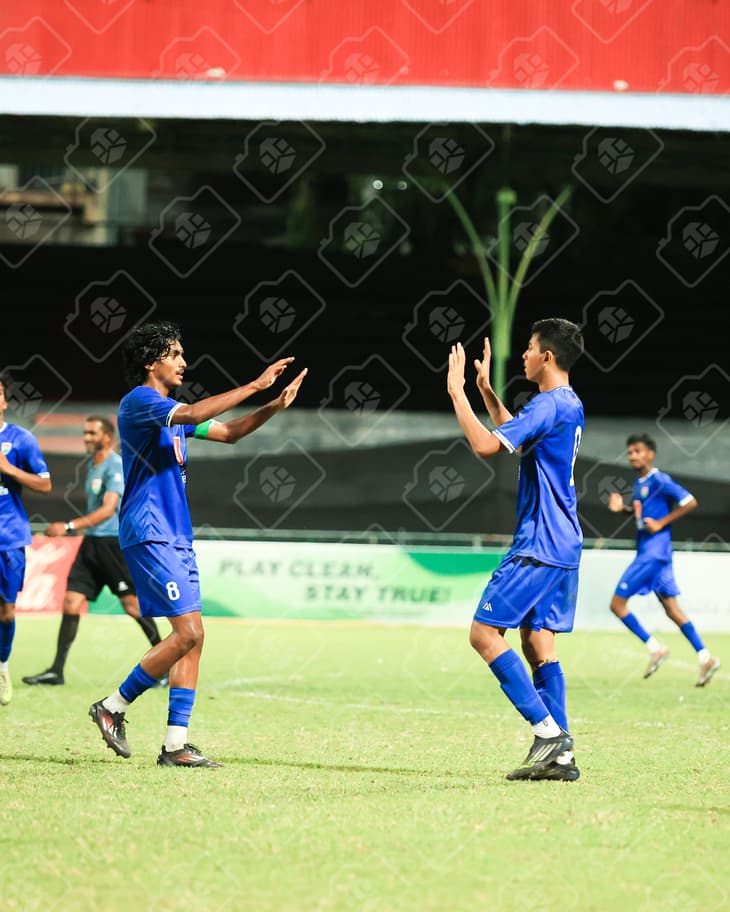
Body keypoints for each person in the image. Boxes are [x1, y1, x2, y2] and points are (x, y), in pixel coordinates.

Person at [88, 320, 307, 767]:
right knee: (186, 632)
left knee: (194, 636)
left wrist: (274, 405)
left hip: (176, 534)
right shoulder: (141, 403)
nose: (185, 362)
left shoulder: (167, 411)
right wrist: (254, 383)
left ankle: (174, 746)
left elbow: (229, 433)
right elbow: (192, 414)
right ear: (152, 362)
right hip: (150, 531)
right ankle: (112, 707)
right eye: (176, 354)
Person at [447, 319, 585, 782]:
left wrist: (458, 394)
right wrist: (487, 392)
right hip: (564, 541)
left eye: (528, 347)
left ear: (547, 356)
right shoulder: (567, 404)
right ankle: (561, 758)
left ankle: (548, 733)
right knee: (537, 641)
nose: (523, 355)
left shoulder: (548, 405)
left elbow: (487, 446)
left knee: (484, 634)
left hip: (540, 542)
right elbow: (518, 437)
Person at [22, 416, 166, 688]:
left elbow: (107, 510)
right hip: (90, 545)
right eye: (85, 432)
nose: (86, 437)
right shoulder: (92, 465)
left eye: (92, 433)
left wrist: (68, 526)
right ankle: (56, 670)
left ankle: (164, 665)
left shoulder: (115, 466)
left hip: (113, 545)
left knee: (132, 606)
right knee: (70, 603)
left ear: (108, 437)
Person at [607, 432, 720, 686]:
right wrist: (623, 510)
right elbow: (641, 519)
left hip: (653, 554)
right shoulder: (640, 483)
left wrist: (662, 522)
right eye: (630, 452)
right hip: (657, 554)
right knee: (672, 609)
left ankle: (655, 647)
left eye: (638, 451)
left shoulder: (659, 480)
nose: (633, 456)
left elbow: (690, 502)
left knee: (617, 605)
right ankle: (705, 658)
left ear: (650, 454)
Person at [0, 372, 53, 705]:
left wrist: (9, 469)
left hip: (8, 537)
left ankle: (2, 666)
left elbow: (45, 484)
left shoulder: (20, 439)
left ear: (4, 400)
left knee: (5, 612)